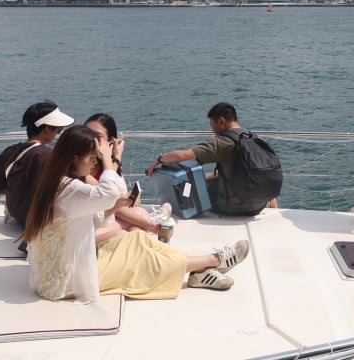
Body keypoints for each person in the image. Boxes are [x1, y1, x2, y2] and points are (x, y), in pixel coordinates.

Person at [23, 125, 250, 302]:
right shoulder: (68, 189)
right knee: (142, 262)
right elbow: (109, 189)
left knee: (136, 238)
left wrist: (114, 207)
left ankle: (200, 272)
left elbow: (91, 220)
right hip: (62, 280)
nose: (94, 163)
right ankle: (215, 260)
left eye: (96, 158)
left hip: (63, 265)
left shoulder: (61, 182)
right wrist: (107, 157)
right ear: (74, 158)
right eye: (91, 158)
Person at [145, 102, 279, 216]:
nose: (212, 130)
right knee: (209, 179)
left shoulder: (222, 142)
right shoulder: (253, 138)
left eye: (212, 125)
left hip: (233, 208)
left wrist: (159, 159)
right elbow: (240, 171)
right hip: (258, 206)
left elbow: (180, 156)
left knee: (192, 190)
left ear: (221, 121)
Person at [0, 101, 74, 225]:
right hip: (40, 223)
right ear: (47, 129)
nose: (58, 133)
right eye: (58, 130)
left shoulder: (10, 152)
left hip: (18, 219)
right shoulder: (50, 156)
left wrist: (16, 190)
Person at [83, 113, 160, 242]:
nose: (90, 139)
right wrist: (116, 158)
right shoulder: (78, 166)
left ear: (111, 141)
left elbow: (116, 201)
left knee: (139, 218)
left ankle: (145, 248)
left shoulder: (107, 166)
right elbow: (110, 198)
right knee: (130, 229)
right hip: (85, 227)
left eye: (97, 136)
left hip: (100, 219)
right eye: (86, 133)